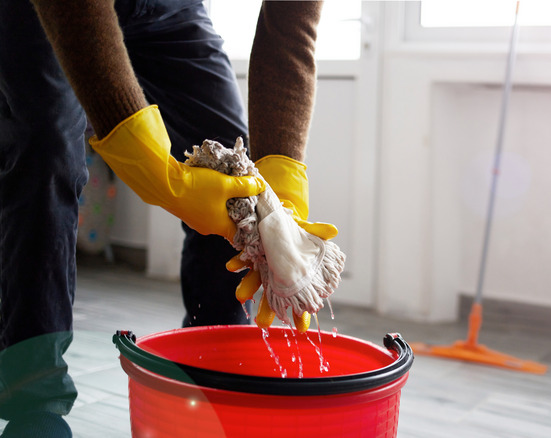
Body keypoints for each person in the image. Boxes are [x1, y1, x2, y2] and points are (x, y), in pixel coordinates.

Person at [0, 0, 331, 436]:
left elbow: (291, 28)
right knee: (47, 154)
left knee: (235, 180)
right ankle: (33, 406)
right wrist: (152, 168)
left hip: (168, 9)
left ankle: (212, 385)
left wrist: (281, 185)